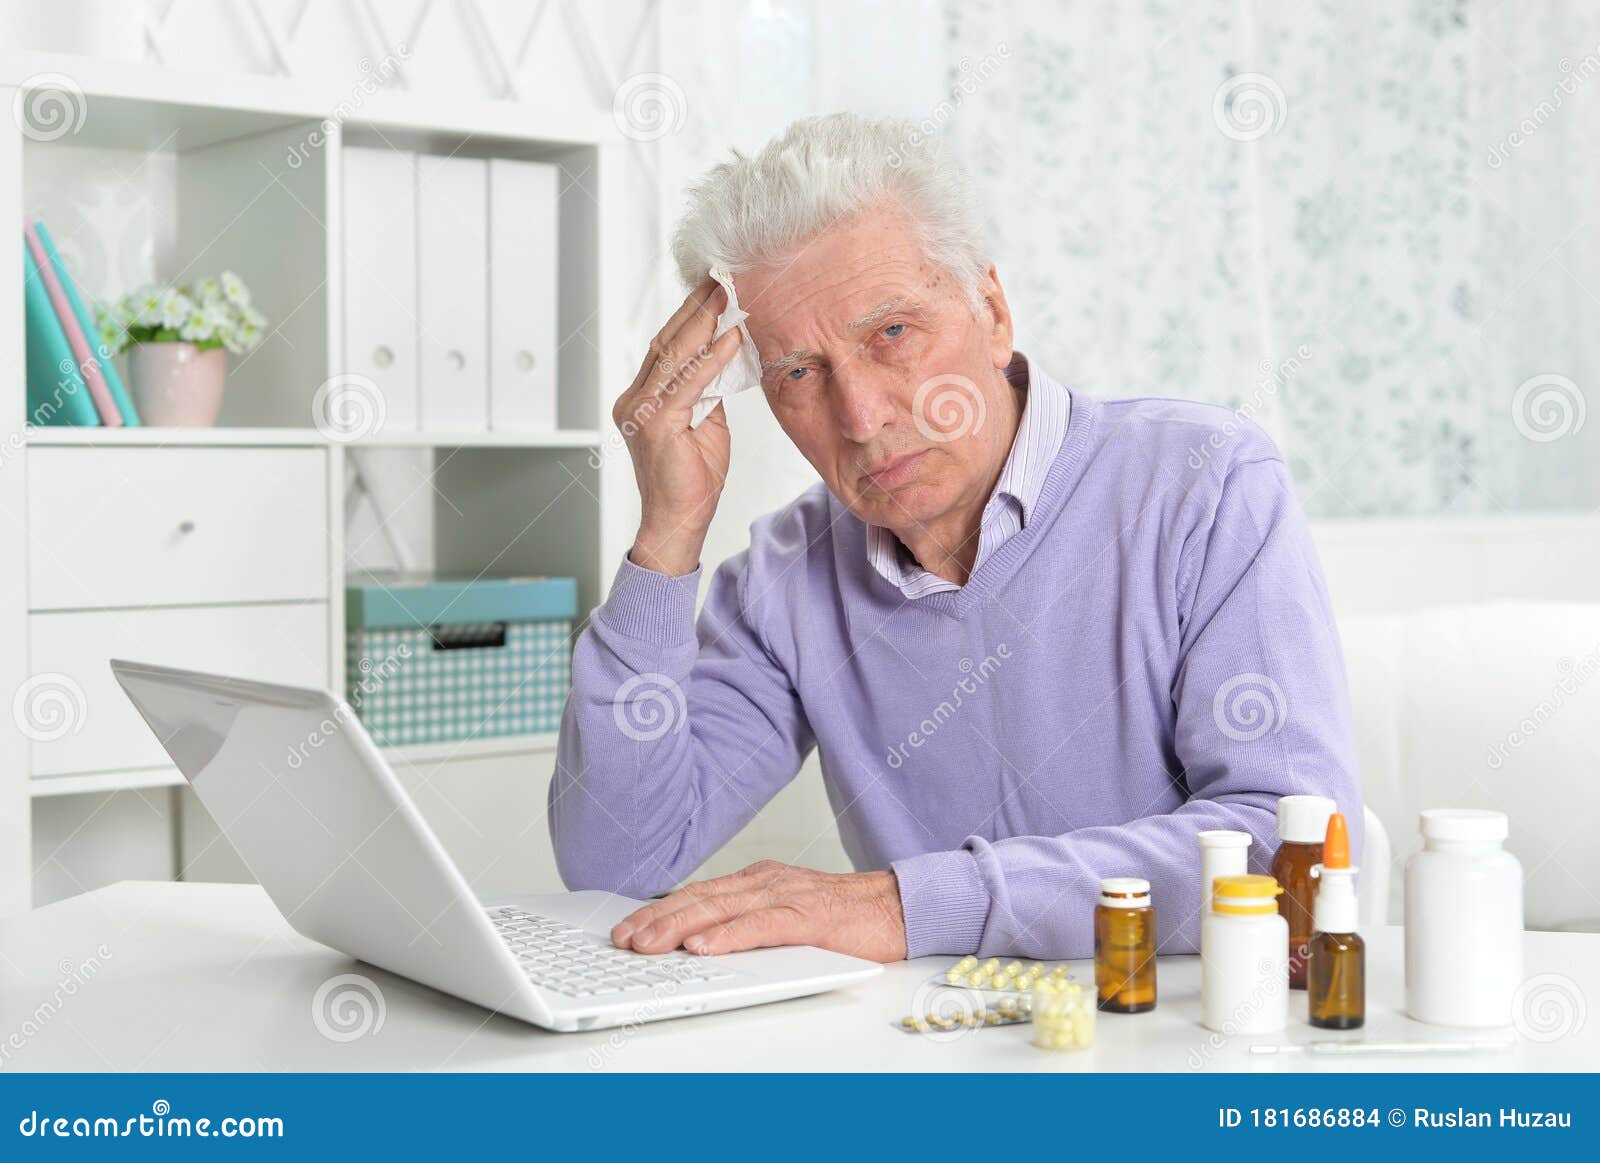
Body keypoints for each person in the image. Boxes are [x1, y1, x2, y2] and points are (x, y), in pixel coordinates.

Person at [549, 112, 1361, 962]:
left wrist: (907, 906)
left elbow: (1285, 850)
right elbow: (616, 859)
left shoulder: (1204, 481)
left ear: (993, 311)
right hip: (939, 1052)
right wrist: (668, 532)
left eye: (891, 333)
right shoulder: (784, 578)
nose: (861, 417)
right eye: (798, 372)